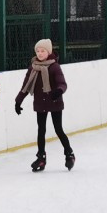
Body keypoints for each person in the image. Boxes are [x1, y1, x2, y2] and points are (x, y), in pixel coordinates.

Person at [14, 38, 74, 172]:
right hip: (40, 102)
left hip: (54, 101)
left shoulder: (54, 67)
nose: (40, 54)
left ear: (49, 52)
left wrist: (58, 91)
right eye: (38, 51)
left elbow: (62, 83)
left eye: (43, 51)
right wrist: (18, 101)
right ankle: (41, 158)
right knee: (41, 130)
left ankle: (69, 153)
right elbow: (25, 86)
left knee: (58, 129)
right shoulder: (33, 67)